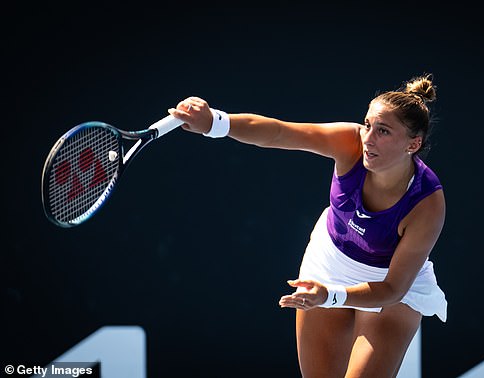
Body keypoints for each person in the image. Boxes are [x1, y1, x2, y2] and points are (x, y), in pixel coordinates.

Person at [168, 74, 447, 378]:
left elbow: (392, 288)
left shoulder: (427, 204)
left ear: (413, 144)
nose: (368, 138)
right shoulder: (349, 143)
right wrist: (215, 123)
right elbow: (279, 132)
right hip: (330, 261)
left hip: (392, 286)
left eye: (383, 131)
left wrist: (331, 296)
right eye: (368, 125)